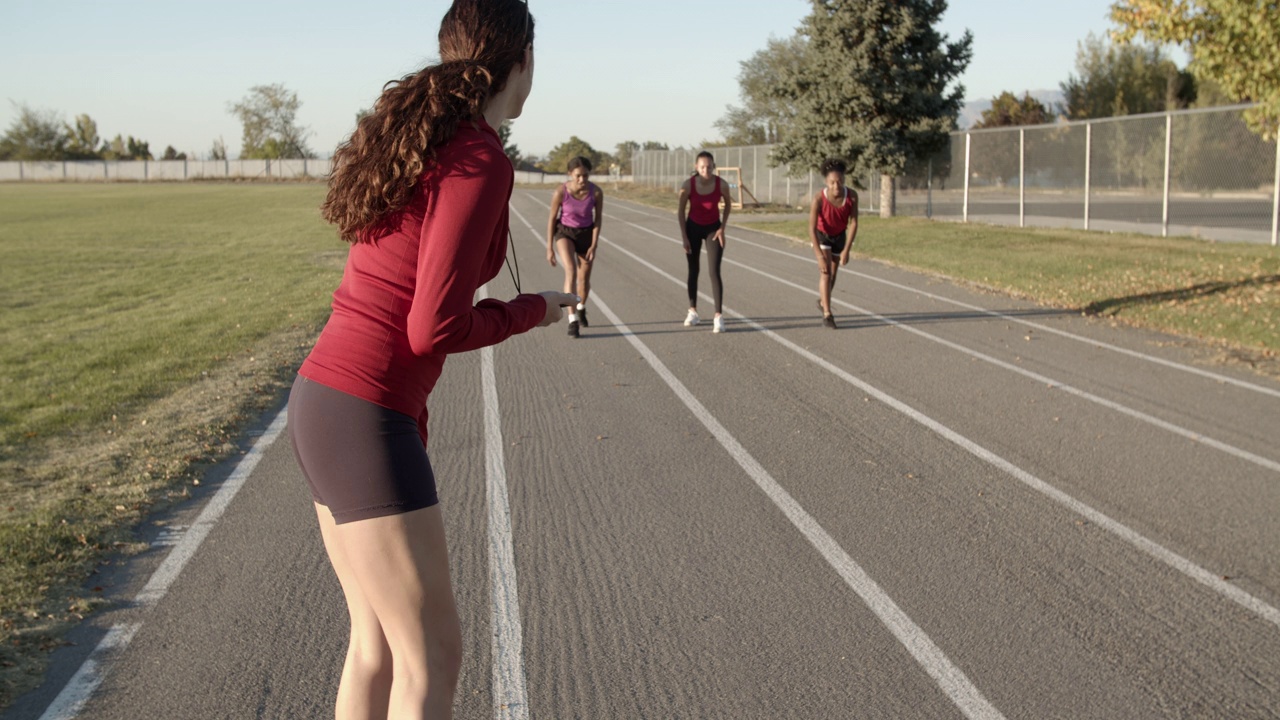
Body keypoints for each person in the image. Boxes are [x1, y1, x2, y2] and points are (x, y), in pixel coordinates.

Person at [287, 3, 575, 718]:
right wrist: (533, 310)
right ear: (523, 62)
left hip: (327, 398)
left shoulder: (428, 141)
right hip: (364, 411)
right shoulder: (475, 157)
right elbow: (433, 326)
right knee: (432, 657)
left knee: (377, 645)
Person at [545, 155, 603, 338]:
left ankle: (581, 307)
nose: (582, 180)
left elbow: (598, 219)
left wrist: (594, 245)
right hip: (565, 233)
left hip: (586, 234)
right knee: (570, 271)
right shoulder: (560, 192)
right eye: (578, 176)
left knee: (584, 280)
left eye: (586, 176)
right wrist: (549, 247)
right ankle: (572, 320)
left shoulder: (596, 193)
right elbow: (552, 219)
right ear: (570, 174)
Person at [677, 151, 733, 333]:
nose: (706, 170)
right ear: (696, 167)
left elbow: (728, 205)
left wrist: (722, 228)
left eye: (709, 167)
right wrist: (684, 236)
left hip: (713, 230)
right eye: (702, 167)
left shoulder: (721, 184)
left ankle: (718, 316)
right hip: (693, 227)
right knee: (693, 270)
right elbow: (680, 211)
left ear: (714, 167)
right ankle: (692, 311)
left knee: (714, 271)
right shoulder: (688, 185)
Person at [809, 158, 858, 329]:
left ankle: (823, 302)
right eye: (832, 183)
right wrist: (819, 256)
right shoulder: (818, 199)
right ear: (826, 182)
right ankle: (827, 315)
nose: (836, 186)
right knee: (826, 273)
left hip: (839, 236)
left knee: (834, 275)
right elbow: (811, 229)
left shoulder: (851, 196)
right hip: (823, 236)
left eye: (839, 182)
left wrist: (846, 250)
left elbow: (854, 223)